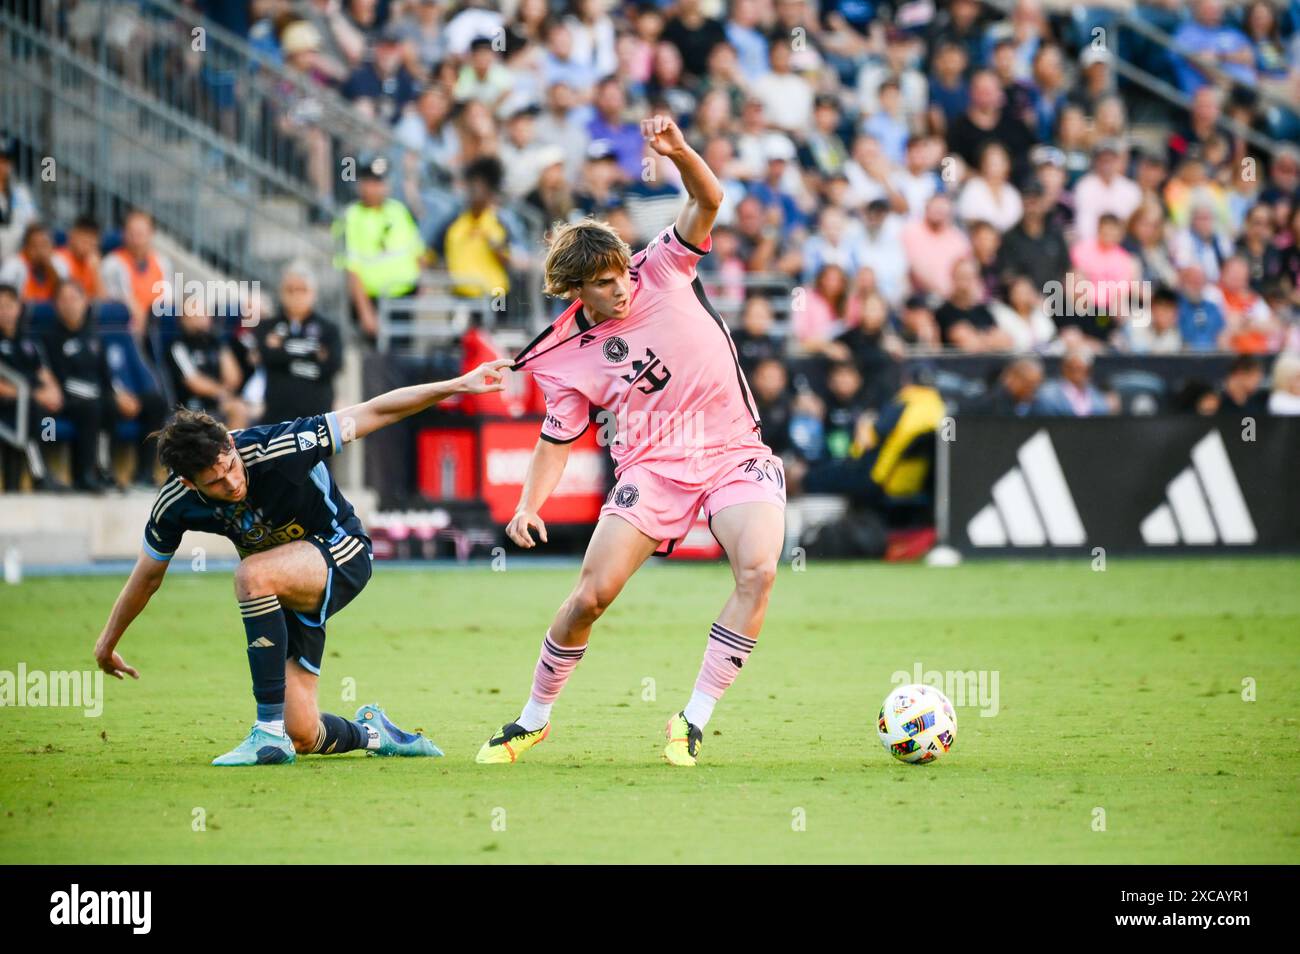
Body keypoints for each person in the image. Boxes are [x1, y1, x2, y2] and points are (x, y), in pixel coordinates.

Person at [481, 115, 784, 768]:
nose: (621, 286)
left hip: (734, 451)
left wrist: (680, 153)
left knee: (757, 570)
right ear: (574, 292)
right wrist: (529, 505)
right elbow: (556, 438)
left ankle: (693, 719)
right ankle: (533, 719)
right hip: (651, 467)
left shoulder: (663, 266)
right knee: (590, 598)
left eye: (620, 273)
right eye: (604, 282)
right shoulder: (562, 355)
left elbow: (708, 200)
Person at [91, 358, 512, 766]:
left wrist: (457, 384)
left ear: (231, 445)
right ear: (188, 482)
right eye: (215, 482)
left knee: (252, 574)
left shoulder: (280, 445)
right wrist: (107, 644)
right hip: (285, 585)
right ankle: (373, 732)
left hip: (342, 550)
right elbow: (147, 578)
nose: (232, 482)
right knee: (305, 733)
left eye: (230, 466)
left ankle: (266, 734)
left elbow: (375, 411)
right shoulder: (175, 504)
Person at [257, 264, 343, 424]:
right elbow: (267, 357)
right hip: (277, 416)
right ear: (281, 293)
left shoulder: (329, 329)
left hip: (317, 416)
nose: (296, 295)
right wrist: (311, 353)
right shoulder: (267, 327)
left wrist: (284, 350)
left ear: (313, 293)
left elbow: (332, 366)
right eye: (290, 289)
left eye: (302, 289)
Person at [0, 283, 61, 489]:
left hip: (31, 401)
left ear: (18, 308)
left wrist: (54, 392)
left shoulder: (27, 341)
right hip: (10, 404)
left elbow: (43, 373)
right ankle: (40, 475)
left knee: (86, 407)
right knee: (30, 411)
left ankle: (80, 474)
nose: (5, 311)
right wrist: (32, 396)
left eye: (9, 305)